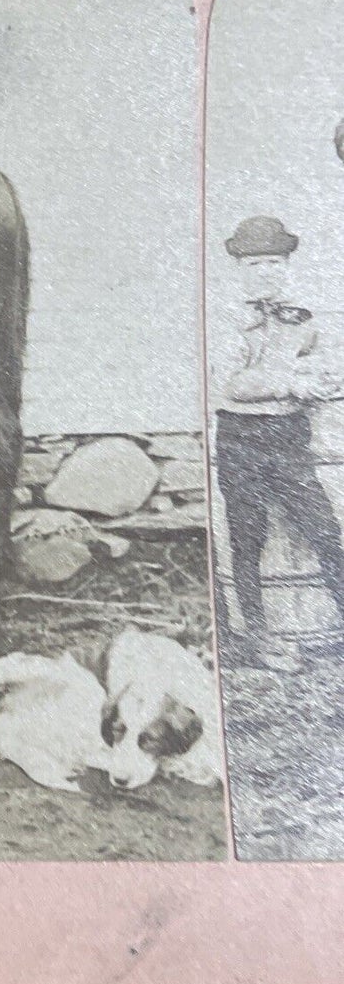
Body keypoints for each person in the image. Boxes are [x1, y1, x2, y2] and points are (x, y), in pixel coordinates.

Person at [213, 215, 344, 670]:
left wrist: (323, 377)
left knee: (325, 531)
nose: (265, 272)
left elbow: (321, 362)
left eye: (274, 262)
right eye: (254, 264)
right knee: (247, 540)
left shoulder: (301, 317)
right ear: (239, 269)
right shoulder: (229, 319)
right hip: (242, 437)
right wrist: (293, 382)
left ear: (287, 265)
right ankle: (258, 637)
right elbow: (234, 385)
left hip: (290, 438)